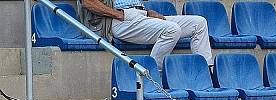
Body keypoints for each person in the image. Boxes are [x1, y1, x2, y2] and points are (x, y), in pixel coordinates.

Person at [79, 0, 213, 72]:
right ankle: (153, 74)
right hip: (120, 20)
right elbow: (88, 2)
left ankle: (206, 72)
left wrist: (147, 12)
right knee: (172, 30)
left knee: (199, 23)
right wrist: (117, 14)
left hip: (142, 15)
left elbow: (132, 4)